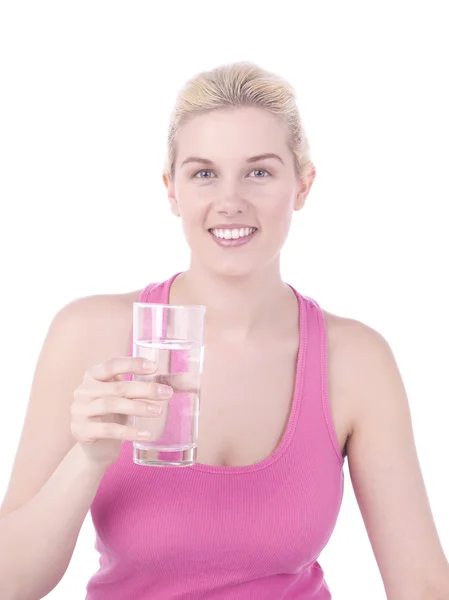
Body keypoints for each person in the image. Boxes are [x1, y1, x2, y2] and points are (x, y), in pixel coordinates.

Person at [0, 61, 448, 600]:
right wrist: (90, 456)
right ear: (172, 190)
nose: (229, 200)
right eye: (203, 173)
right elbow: (11, 583)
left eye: (259, 172)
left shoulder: (356, 360)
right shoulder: (88, 334)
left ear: (302, 185)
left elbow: (421, 584)